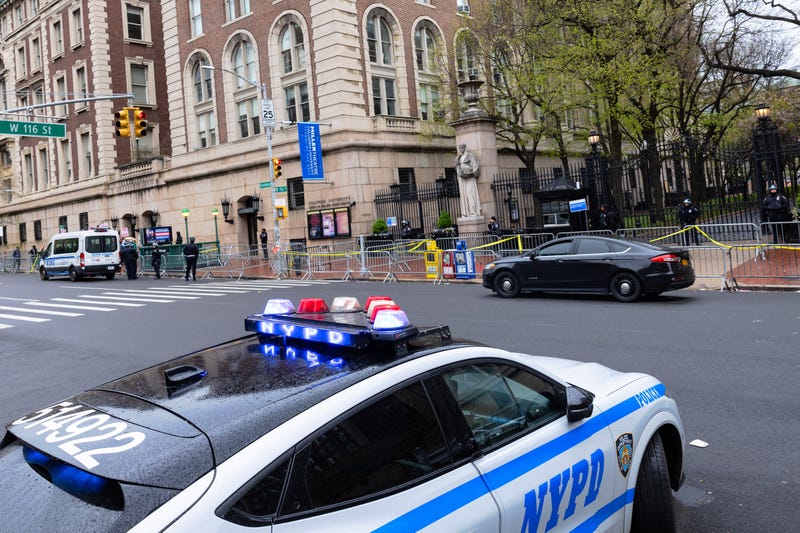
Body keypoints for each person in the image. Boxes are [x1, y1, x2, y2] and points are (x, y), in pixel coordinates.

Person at [454, 143, 481, 218]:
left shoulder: (470, 155)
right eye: (460, 148)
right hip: (462, 178)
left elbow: (475, 166)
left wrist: (470, 172)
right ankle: (465, 213)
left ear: (465, 148)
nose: (461, 149)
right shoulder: (459, 158)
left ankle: (473, 211)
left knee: (470, 193)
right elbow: (457, 167)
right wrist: (460, 172)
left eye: (462, 147)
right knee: (463, 195)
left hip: (470, 177)